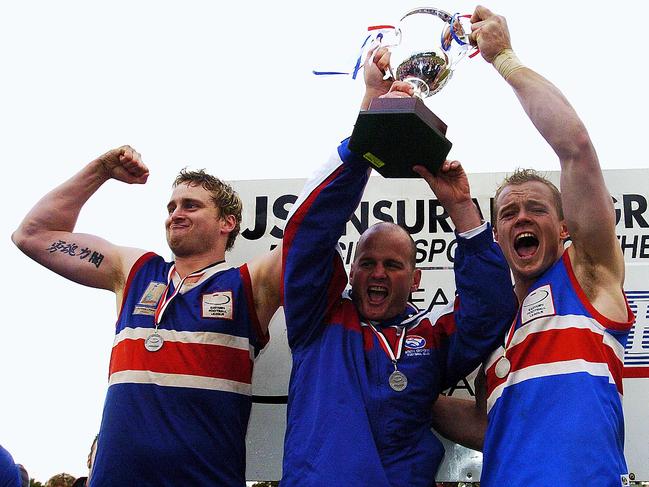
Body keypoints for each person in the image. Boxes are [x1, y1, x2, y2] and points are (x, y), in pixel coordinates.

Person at [279, 46, 517, 486]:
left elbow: (490, 311)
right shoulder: (318, 319)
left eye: (393, 264)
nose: (378, 274)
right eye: (367, 263)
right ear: (350, 272)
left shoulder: (430, 336)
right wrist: (367, 129)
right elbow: (305, 234)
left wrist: (462, 206)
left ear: (416, 278)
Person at [431, 6, 634, 486]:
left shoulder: (588, 279)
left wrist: (504, 59)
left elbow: (575, 148)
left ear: (564, 227)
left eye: (536, 208)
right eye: (508, 212)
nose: (522, 216)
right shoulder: (499, 340)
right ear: (498, 236)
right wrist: (392, 386)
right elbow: (488, 428)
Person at [12, 152, 281, 485]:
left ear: (227, 222)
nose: (176, 215)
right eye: (171, 207)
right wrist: (100, 171)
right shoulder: (135, 271)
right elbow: (32, 235)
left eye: (191, 206)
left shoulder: (249, 282)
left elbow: (312, 238)